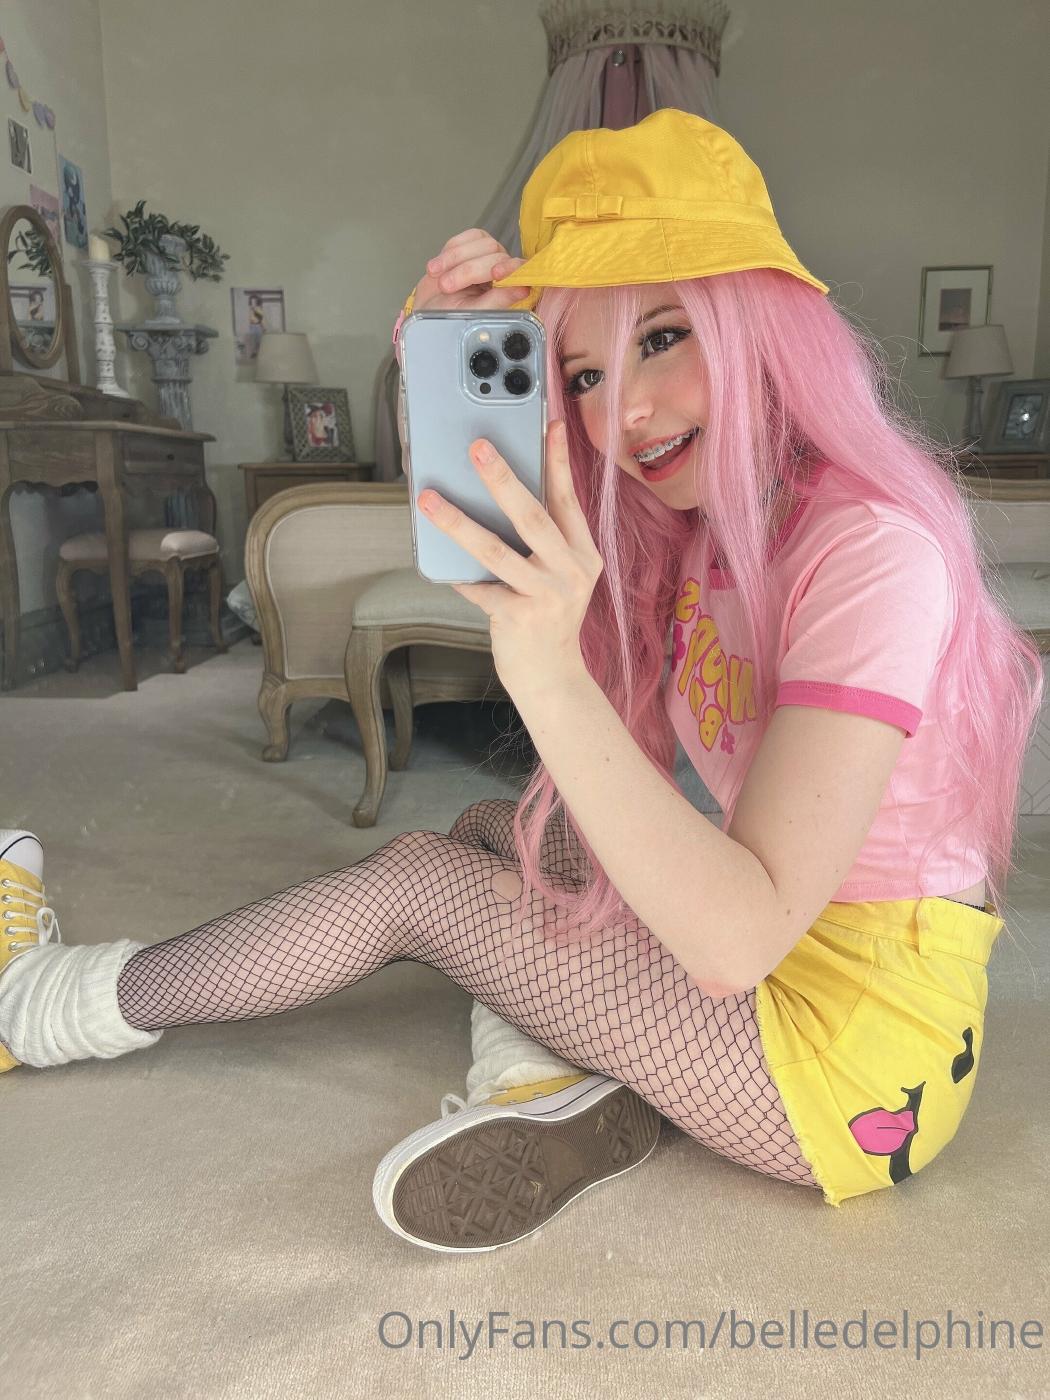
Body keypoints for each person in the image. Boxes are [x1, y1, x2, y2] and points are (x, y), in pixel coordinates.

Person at [0, 111, 1041, 1257]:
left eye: (662, 337)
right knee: (496, 833)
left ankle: (37, 1003)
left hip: (854, 1059)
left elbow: (737, 939)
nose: (623, 411)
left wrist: (542, 669)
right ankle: (548, 1083)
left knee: (419, 882)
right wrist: (440, 355)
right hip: (787, 953)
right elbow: (496, 512)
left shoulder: (871, 551)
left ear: (761, 321)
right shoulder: (702, 520)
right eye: (584, 372)